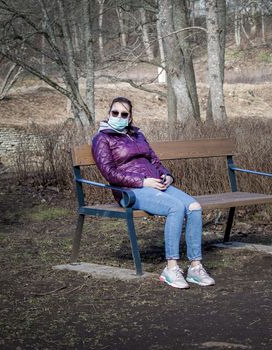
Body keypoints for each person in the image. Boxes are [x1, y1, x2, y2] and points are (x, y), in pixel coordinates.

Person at [92, 96, 215, 289]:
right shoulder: (102, 139)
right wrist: (142, 181)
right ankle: (171, 268)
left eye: (124, 114)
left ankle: (195, 267)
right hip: (129, 191)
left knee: (194, 207)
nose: (119, 116)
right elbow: (109, 173)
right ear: (109, 114)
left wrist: (166, 175)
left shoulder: (138, 135)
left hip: (156, 185)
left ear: (130, 117)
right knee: (175, 207)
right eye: (115, 113)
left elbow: (154, 160)